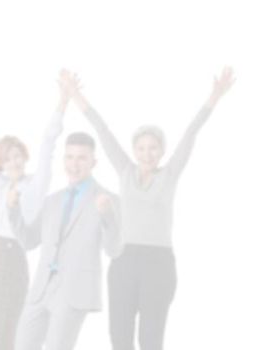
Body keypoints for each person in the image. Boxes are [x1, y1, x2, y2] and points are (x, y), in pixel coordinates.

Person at [72, 67, 233, 350]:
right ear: (134, 151)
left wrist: (214, 96)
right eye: (142, 148)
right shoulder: (124, 171)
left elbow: (191, 133)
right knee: (119, 335)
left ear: (161, 151)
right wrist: (75, 95)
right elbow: (103, 131)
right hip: (124, 260)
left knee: (150, 337)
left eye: (153, 148)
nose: (147, 154)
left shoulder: (168, 175)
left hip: (158, 263)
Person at [0, 73, 70, 350]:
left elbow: (48, 144)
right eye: (7, 158)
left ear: (24, 157)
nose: (13, 162)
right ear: (1, 164)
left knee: (10, 322)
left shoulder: (36, 184)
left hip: (14, 254)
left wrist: (63, 101)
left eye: (17, 156)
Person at [11, 132, 121, 350]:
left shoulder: (108, 199)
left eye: (81, 158)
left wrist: (108, 215)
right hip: (42, 287)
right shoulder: (52, 201)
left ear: (93, 162)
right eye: (69, 157)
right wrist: (12, 209)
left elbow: (114, 249)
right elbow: (29, 240)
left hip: (74, 290)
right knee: (22, 343)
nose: (74, 164)